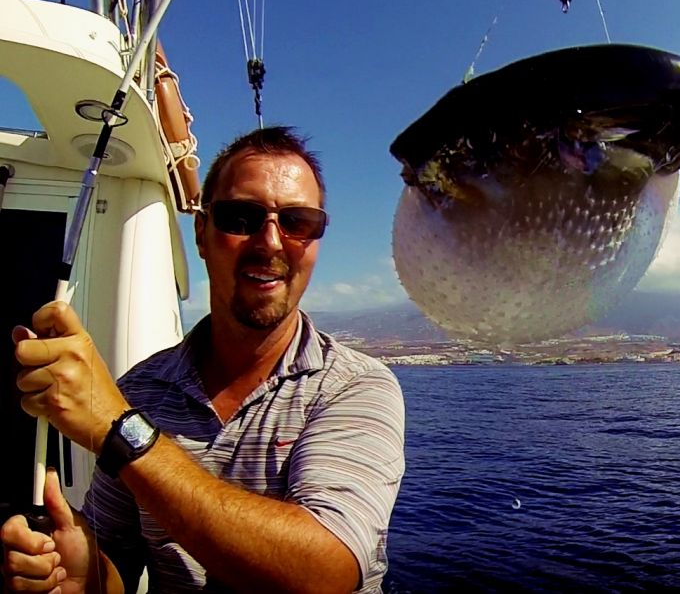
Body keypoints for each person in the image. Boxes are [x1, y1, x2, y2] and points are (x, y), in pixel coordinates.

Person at [2, 127, 405, 593]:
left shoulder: (355, 386)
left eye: (297, 221)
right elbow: (117, 568)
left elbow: (325, 570)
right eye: (240, 216)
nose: (271, 242)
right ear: (201, 231)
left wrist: (122, 429)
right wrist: (84, 572)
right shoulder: (140, 391)